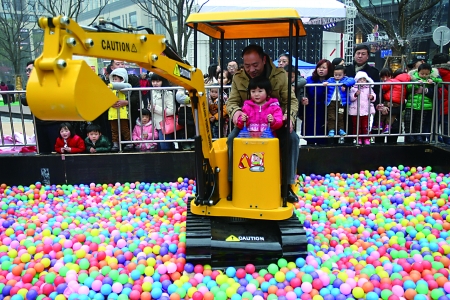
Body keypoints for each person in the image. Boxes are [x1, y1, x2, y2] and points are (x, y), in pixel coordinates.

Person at [226, 44, 301, 202]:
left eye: (255, 65)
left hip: (274, 123)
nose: (251, 69)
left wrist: (289, 116)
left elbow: (291, 101)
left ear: (264, 60)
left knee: (292, 138)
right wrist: (236, 112)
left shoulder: (280, 76)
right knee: (232, 139)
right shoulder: (239, 77)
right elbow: (232, 102)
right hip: (248, 124)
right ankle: (233, 182)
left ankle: (287, 185)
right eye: (247, 66)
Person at [21, 60, 61, 154]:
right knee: (42, 151)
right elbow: (24, 100)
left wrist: (36, 97)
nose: (27, 73)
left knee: (56, 150)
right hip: (38, 123)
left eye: (30, 70)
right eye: (26, 70)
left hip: (54, 122)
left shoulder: (51, 81)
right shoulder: (29, 84)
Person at [345, 45, 381, 143]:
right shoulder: (347, 69)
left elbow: (376, 90)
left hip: (365, 106)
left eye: (363, 54)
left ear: (368, 56)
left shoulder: (373, 72)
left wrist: (374, 101)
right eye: (358, 53)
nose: (360, 56)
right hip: (349, 104)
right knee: (349, 127)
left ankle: (365, 140)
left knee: (364, 126)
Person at [404, 63, 442, 144]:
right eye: (422, 73)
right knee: (408, 120)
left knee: (420, 122)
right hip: (412, 104)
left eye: (426, 74)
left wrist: (433, 81)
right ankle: (409, 135)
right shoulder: (413, 78)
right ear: (418, 72)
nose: (424, 75)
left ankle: (418, 136)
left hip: (425, 106)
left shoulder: (432, 78)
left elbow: (440, 82)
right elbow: (409, 88)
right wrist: (417, 84)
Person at [301, 59, 333, 145]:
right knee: (310, 138)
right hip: (310, 110)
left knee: (322, 139)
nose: (321, 69)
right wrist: (304, 98)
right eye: (319, 67)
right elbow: (303, 92)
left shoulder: (332, 81)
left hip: (324, 111)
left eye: (324, 68)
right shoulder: (309, 80)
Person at [323, 65, 355, 137]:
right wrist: (325, 83)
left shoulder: (346, 80)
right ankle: (331, 130)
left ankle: (341, 129)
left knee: (340, 116)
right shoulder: (331, 80)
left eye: (339, 75)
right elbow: (325, 82)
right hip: (331, 102)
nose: (337, 76)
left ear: (344, 74)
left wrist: (345, 85)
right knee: (331, 117)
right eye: (335, 74)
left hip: (341, 103)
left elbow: (352, 80)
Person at [108, 68, 134, 152]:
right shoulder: (110, 90)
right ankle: (115, 144)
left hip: (122, 113)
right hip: (112, 113)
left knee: (124, 129)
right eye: (113, 79)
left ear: (122, 79)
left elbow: (123, 86)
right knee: (114, 130)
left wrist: (111, 85)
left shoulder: (126, 86)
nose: (114, 81)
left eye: (116, 79)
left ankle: (128, 143)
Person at [109, 60, 141, 130]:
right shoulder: (108, 80)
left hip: (130, 112)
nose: (121, 66)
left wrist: (127, 102)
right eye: (118, 64)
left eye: (122, 64)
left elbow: (137, 95)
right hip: (113, 114)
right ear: (112, 67)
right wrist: (110, 103)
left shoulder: (133, 79)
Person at [349, 71, 376, 145]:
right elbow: (350, 98)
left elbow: (374, 96)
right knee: (356, 126)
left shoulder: (369, 88)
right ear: (357, 80)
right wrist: (355, 95)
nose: (362, 81)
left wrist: (372, 97)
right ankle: (358, 138)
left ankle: (367, 138)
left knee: (366, 126)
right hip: (355, 111)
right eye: (360, 79)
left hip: (366, 111)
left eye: (364, 79)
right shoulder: (353, 88)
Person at [379, 69, 410, 134]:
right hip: (381, 116)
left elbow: (402, 105)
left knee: (393, 137)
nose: (385, 79)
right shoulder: (380, 86)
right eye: (382, 77)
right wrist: (382, 107)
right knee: (379, 140)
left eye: (388, 77)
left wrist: (388, 109)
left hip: (394, 119)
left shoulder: (400, 86)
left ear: (392, 77)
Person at [150, 73, 175, 151]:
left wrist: (155, 108)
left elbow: (172, 110)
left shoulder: (168, 93)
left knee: (164, 147)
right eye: (153, 81)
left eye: (157, 81)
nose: (155, 83)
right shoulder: (152, 91)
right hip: (154, 124)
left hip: (164, 124)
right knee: (158, 147)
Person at [432, 53, 450, 144]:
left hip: (433, 103)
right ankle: (446, 143)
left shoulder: (431, 72)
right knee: (445, 127)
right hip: (446, 104)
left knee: (433, 126)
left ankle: (436, 140)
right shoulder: (448, 73)